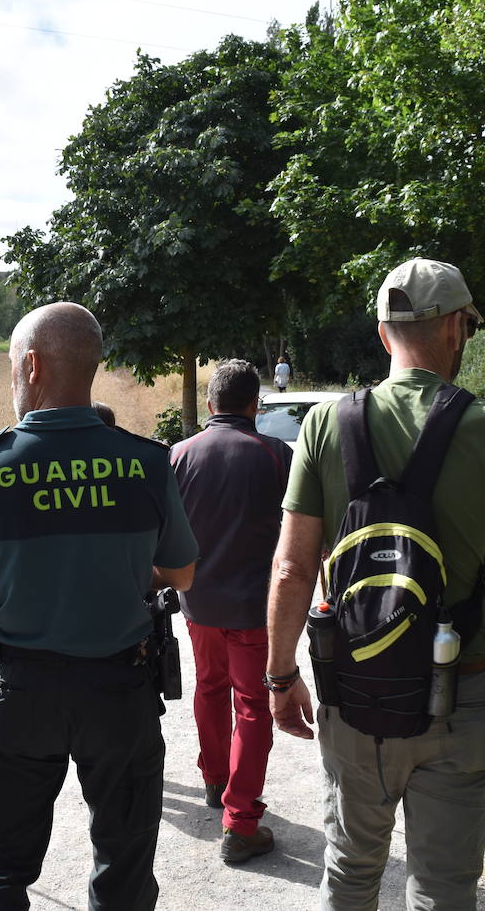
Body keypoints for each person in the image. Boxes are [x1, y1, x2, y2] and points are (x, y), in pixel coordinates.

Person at [265, 258, 485, 908]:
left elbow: (294, 568)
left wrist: (279, 676)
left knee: (351, 872)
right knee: (443, 886)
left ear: (385, 336)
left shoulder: (327, 425)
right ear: (455, 330)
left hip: (357, 697)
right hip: (462, 690)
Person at [0, 301, 199, 910]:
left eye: (10, 366)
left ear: (31, 365)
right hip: (120, 691)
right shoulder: (145, 463)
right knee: (124, 864)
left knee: (0, 868)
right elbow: (182, 571)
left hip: (21, 693)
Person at [168, 359, 292, 864]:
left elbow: (164, 535)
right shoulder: (276, 454)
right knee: (252, 705)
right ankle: (241, 823)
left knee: (209, 689)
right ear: (253, 405)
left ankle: (214, 778)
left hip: (197, 603)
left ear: (212, 404)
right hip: (253, 609)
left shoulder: (177, 454)